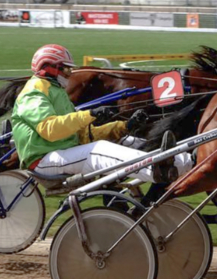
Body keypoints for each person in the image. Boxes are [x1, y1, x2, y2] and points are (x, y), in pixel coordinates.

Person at [11, 44, 190, 183]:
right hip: (43, 160)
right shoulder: (33, 92)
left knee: (128, 141)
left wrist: (125, 126)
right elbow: (50, 129)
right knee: (98, 150)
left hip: (64, 153)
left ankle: (186, 162)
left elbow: (85, 136)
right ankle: (156, 170)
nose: (70, 73)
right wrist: (89, 114)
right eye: (66, 68)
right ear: (50, 68)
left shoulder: (57, 92)